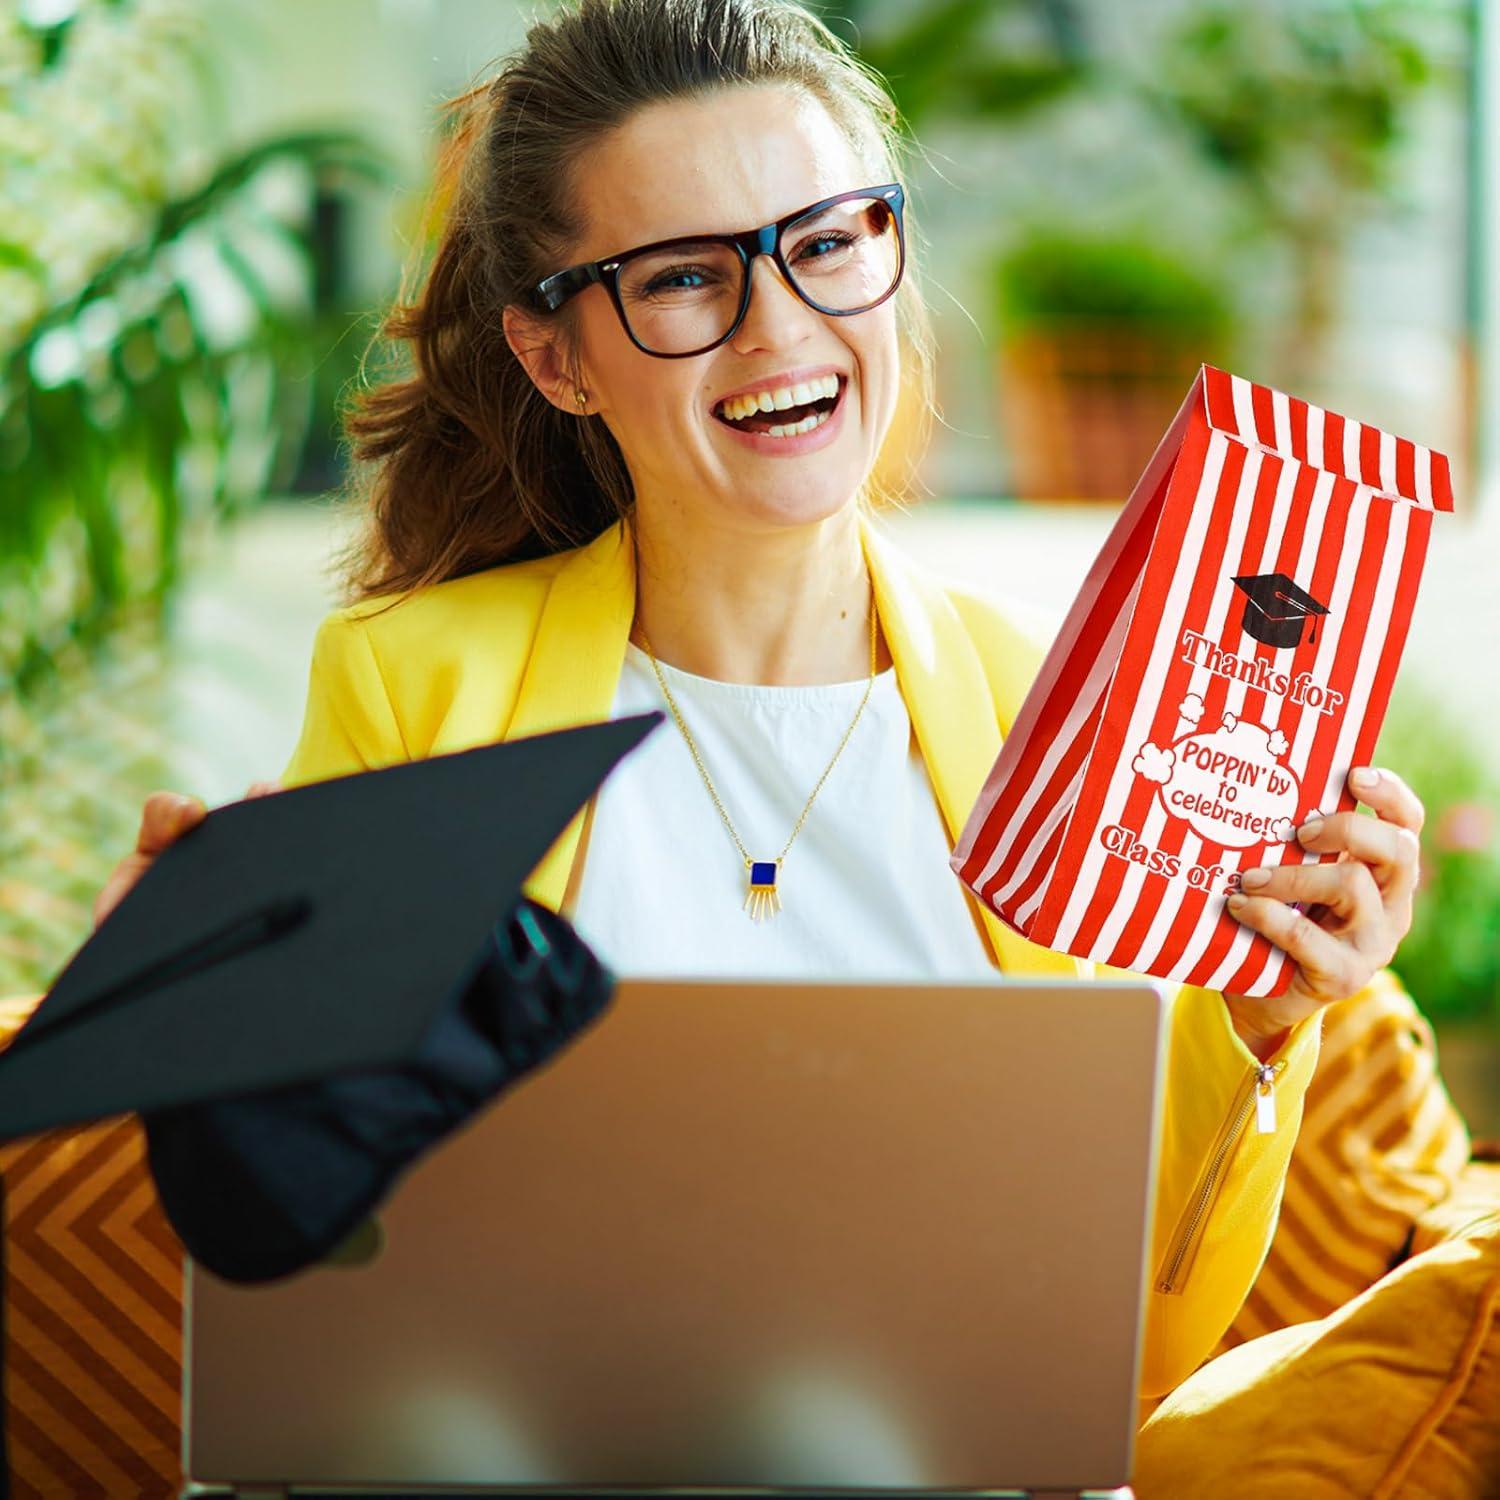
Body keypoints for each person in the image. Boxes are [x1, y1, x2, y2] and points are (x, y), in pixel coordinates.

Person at [102, 0, 1423, 1435]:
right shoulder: (414, 684)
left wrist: (1261, 1017)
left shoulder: (1056, 719)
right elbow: (299, 1244)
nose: (781, 326)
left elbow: (1138, 1348)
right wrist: (213, 1026)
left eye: (828, 239)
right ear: (558, 359)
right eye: (681, 277)